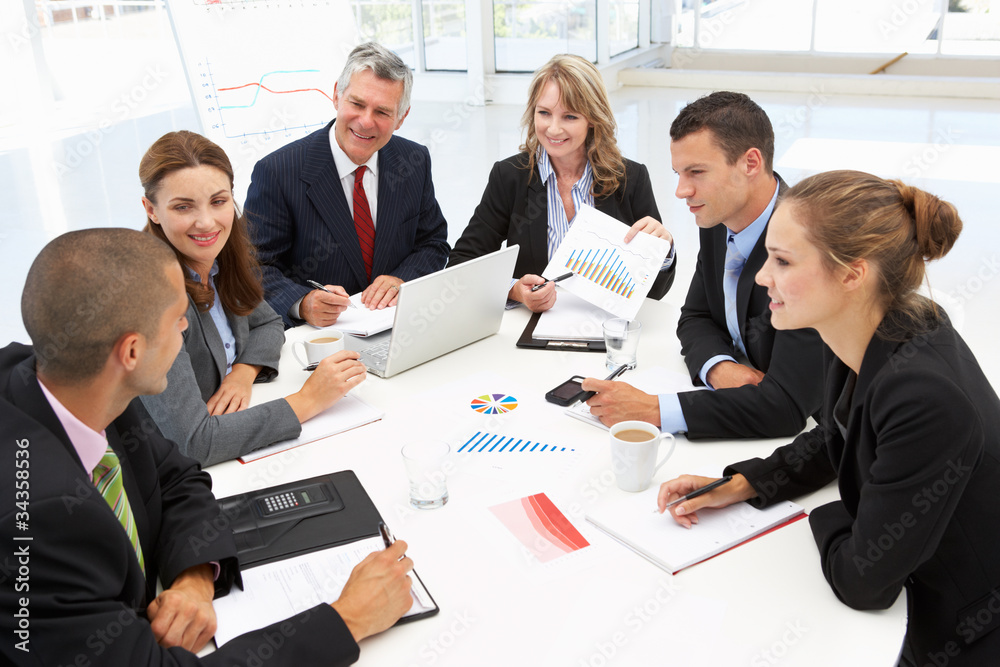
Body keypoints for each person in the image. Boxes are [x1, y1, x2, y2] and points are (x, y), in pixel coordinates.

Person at [0, 228, 414, 665]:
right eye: (178, 318)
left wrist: (195, 577)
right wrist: (347, 621)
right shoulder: (33, 523)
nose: (185, 328)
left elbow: (176, 477)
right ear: (132, 352)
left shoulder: (79, 377)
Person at [657, 171, 1000, 664]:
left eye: (782, 261)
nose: (761, 277)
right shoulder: (867, 326)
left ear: (852, 274)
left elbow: (865, 581)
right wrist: (745, 483)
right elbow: (840, 430)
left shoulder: (925, 397)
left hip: (961, 625)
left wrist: (825, 513)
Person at [583, 91, 824, 438]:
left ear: (751, 163)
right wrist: (719, 368)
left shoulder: (803, 246)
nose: (681, 191)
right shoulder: (721, 217)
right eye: (679, 173)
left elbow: (785, 408)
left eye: (696, 172)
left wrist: (655, 409)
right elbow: (696, 316)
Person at [139, 130, 366, 466]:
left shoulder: (219, 259)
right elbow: (194, 444)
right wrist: (307, 400)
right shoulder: (151, 298)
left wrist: (243, 372)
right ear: (152, 210)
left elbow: (268, 321)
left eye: (218, 201)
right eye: (183, 206)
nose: (206, 222)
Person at [448, 54, 675, 313]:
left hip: (603, 323)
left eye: (569, 117)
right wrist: (514, 290)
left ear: (593, 118)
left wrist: (663, 250)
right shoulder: (510, 176)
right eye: (544, 113)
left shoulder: (630, 178)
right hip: (532, 327)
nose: (554, 129)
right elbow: (461, 264)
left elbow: (655, 291)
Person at [245, 41, 450, 328]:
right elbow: (253, 266)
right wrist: (302, 302)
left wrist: (402, 278)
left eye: (382, 112)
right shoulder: (277, 172)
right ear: (336, 96)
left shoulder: (414, 159)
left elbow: (432, 242)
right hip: (320, 337)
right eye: (357, 104)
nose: (366, 122)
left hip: (398, 324)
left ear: (401, 118)